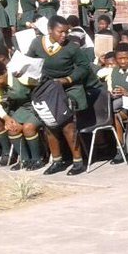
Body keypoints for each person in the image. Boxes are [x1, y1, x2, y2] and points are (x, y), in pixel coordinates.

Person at [25, 18, 90, 174]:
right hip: (46, 88)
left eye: (66, 31)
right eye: (60, 31)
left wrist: (67, 79)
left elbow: (84, 67)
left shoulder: (72, 48)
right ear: (49, 30)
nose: (64, 35)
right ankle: (57, 160)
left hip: (68, 87)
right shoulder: (36, 43)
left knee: (66, 122)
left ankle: (77, 161)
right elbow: (29, 62)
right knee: (49, 123)